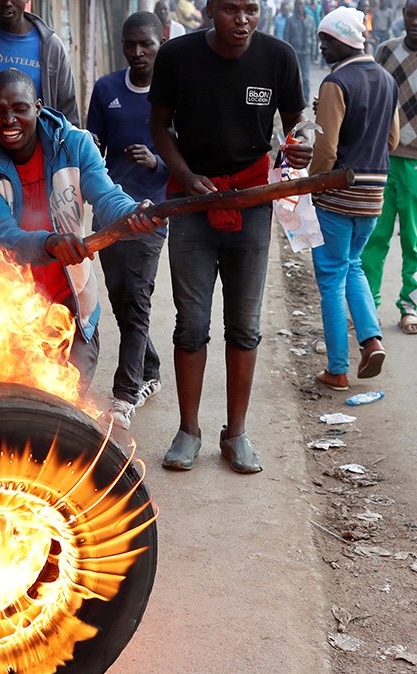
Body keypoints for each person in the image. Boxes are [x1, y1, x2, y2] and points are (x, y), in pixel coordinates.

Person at [149, 0, 313, 474]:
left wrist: (297, 147)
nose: (242, 20)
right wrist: (183, 173)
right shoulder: (177, 56)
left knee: (244, 326)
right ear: (208, 11)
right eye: (230, 9)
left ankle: (236, 432)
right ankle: (188, 430)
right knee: (191, 324)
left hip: (252, 203)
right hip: (192, 205)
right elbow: (159, 125)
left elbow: (295, 123)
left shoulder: (278, 56)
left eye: (251, 9)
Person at [0, 70, 162, 393]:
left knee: (67, 405)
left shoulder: (76, 144)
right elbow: (3, 236)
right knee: (19, 411)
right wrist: (51, 242)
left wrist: (131, 214)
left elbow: (106, 196)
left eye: (19, 108)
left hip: (72, 304)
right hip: (10, 309)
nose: (9, 120)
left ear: (38, 107)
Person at [86, 12, 171, 430]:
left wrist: (157, 163)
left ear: (162, 42)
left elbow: (188, 160)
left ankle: (124, 395)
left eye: (146, 45)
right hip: (109, 213)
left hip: (153, 213)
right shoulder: (106, 89)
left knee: (136, 300)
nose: (137, 52)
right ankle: (150, 371)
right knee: (121, 299)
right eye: (130, 44)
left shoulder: (176, 93)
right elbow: (90, 152)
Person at [309, 7, 399, 390]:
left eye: (325, 41)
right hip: (373, 194)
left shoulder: (337, 81)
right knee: (354, 266)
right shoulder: (385, 78)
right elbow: (391, 140)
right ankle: (371, 339)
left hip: (338, 196)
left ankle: (338, 369)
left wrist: (309, 183)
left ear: (342, 40)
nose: (321, 48)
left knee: (331, 277)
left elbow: (326, 150)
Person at [0, 0, 80, 239]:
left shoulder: (50, 48)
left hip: (34, 173)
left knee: (30, 255)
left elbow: (67, 113)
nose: (7, 2)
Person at [362, 0, 417, 334]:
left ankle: (410, 307)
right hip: (381, 159)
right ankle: (366, 307)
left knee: (414, 239)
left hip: (416, 165)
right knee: (374, 236)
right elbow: (368, 93)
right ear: (402, 16)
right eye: (410, 15)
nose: (415, 22)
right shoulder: (385, 51)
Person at [285, 0, 317, 98]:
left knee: (306, 78)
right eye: (298, 4)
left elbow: (313, 37)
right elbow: (287, 37)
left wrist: (314, 53)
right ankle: (293, 99)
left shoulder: (310, 19)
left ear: (305, 5)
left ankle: (306, 98)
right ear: (295, 6)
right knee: (293, 77)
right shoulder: (290, 20)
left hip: (306, 52)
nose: (300, 6)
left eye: (302, 4)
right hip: (294, 52)